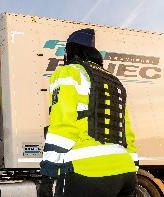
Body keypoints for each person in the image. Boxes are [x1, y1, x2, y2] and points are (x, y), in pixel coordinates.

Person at [40, 28, 138, 197]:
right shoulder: (115, 81)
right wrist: (133, 165)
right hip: (125, 173)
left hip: (87, 171)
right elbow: (125, 130)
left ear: (71, 51)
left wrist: (48, 171)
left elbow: (63, 125)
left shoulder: (69, 72)